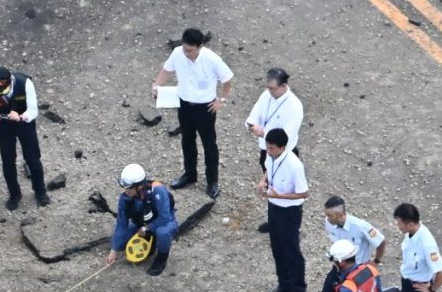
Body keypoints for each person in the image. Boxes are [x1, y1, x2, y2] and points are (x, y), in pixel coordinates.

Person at [296, 196, 403, 292]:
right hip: (340, 268)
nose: (326, 218)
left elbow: (380, 241)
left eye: (330, 215)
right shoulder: (330, 224)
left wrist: (376, 261)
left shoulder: (360, 226)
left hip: (361, 272)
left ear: (341, 215)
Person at [152, 28, 234, 199]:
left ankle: (212, 181)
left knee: (209, 144)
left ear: (200, 46)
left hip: (205, 108)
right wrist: (156, 85)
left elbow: (228, 80)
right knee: (187, 141)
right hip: (184, 105)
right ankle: (190, 174)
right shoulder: (178, 53)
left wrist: (221, 100)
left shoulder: (212, 59)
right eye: (184, 49)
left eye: (190, 50)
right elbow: (167, 70)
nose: (186, 53)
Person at [0, 67, 50, 210]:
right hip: (4, 125)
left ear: (10, 81)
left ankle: (40, 191)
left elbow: (33, 109)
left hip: (25, 123)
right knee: (7, 160)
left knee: (32, 158)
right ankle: (14, 194)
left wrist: (21, 117)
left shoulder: (25, 83)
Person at [245, 68, 304, 233]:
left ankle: (291, 225)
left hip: (284, 153)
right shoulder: (266, 96)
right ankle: (274, 220)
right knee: (271, 187)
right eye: (268, 87)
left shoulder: (294, 106)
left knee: (287, 190)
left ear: (283, 85)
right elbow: (254, 115)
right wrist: (251, 125)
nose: (269, 91)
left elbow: (287, 137)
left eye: (273, 88)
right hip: (267, 150)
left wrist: (263, 133)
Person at [258, 128, 308, 292]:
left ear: (282, 147)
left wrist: (280, 195)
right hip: (273, 206)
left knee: (291, 250)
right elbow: (268, 168)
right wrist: (263, 181)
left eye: (271, 148)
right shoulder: (270, 155)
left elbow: (304, 193)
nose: (268, 150)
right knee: (277, 246)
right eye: (267, 147)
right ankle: (284, 284)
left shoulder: (295, 166)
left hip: (290, 211)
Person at [106, 164, 179, 277]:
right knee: (118, 244)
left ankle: (161, 258)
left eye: (129, 188)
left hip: (163, 222)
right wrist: (113, 250)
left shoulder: (158, 191)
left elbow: (165, 217)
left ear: (139, 186)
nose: (126, 191)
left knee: (162, 232)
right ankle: (151, 240)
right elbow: (121, 224)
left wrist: (147, 228)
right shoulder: (125, 198)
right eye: (125, 187)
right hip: (141, 224)